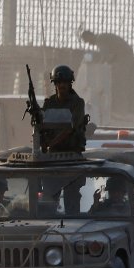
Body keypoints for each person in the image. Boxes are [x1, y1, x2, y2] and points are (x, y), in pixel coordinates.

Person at [42, 65, 88, 214]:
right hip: (52, 159)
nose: (62, 85)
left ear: (70, 84)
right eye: (59, 82)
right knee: (48, 204)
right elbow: (42, 126)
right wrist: (43, 142)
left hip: (72, 158)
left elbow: (71, 128)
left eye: (65, 83)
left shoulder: (77, 103)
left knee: (72, 201)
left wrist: (51, 143)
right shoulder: (49, 103)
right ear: (55, 84)